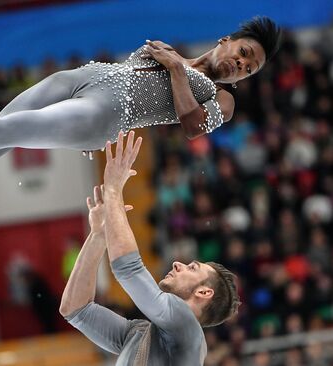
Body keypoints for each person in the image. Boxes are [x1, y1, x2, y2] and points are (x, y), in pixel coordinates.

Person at [0, 17, 281, 273]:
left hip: (102, 115)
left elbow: (194, 127)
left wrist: (179, 71)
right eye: (243, 52)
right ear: (226, 40)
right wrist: (173, 63)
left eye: (251, 67)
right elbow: (132, 74)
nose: (243, 64)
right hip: (82, 79)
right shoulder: (173, 52)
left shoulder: (221, 98)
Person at [60, 131, 241, 365]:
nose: (178, 263)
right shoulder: (140, 333)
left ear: (204, 293)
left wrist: (114, 189)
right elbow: (76, 310)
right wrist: (97, 236)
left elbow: (129, 270)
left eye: (192, 268)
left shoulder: (186, 326)